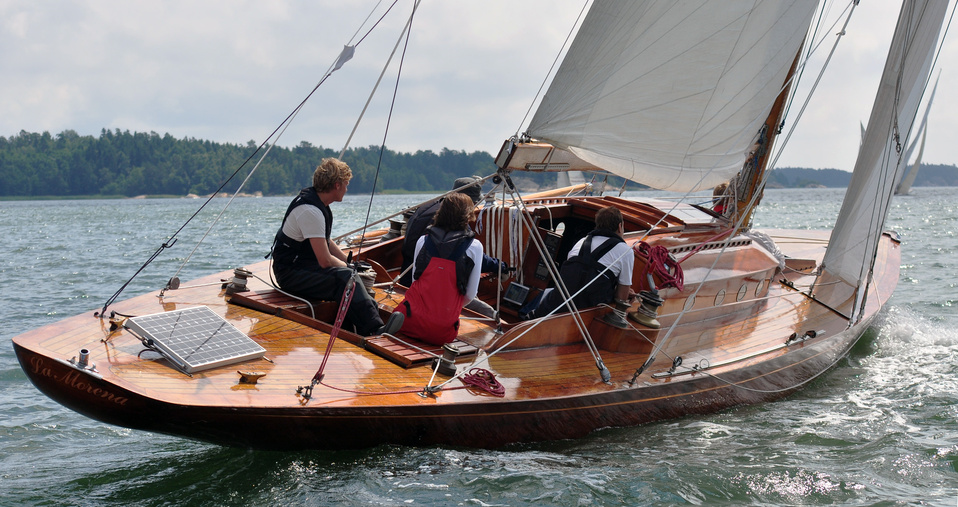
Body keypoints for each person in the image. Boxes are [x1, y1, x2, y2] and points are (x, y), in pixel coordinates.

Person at [270, 157, 403, 337]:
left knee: (349, 274)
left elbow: (325, 241)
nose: (347, 189)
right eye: (346, 185)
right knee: (346, 278)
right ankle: (374, 329)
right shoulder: (311, 211)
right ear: (337, 185)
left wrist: (349, 262)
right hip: (289, 274)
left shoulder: (317, 204)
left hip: (301, 267)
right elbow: (325, 261)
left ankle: (361, 326)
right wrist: (349, 269)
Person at [399, 176, 507, 318]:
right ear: (468, 203)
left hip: (407, 284)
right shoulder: (457, 223)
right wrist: (500, 266)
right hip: (438, 294)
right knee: (490, 314)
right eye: (475, 203)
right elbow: (468, 255)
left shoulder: (425, 208)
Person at [392, 193, 485, 345]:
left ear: (440, 212)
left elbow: (416, 281)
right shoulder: (475, 247)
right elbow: (470, 294)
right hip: (441, 332)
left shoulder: (423, 240)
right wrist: (446, 306)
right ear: (468, 215)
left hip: (408, 320)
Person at [522, 206, 634, 320]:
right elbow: (621, 298)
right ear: (620, 227)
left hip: (556, 306)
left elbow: (576, 278)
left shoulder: (581, 242)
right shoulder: (626, 251)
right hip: (588, 314)